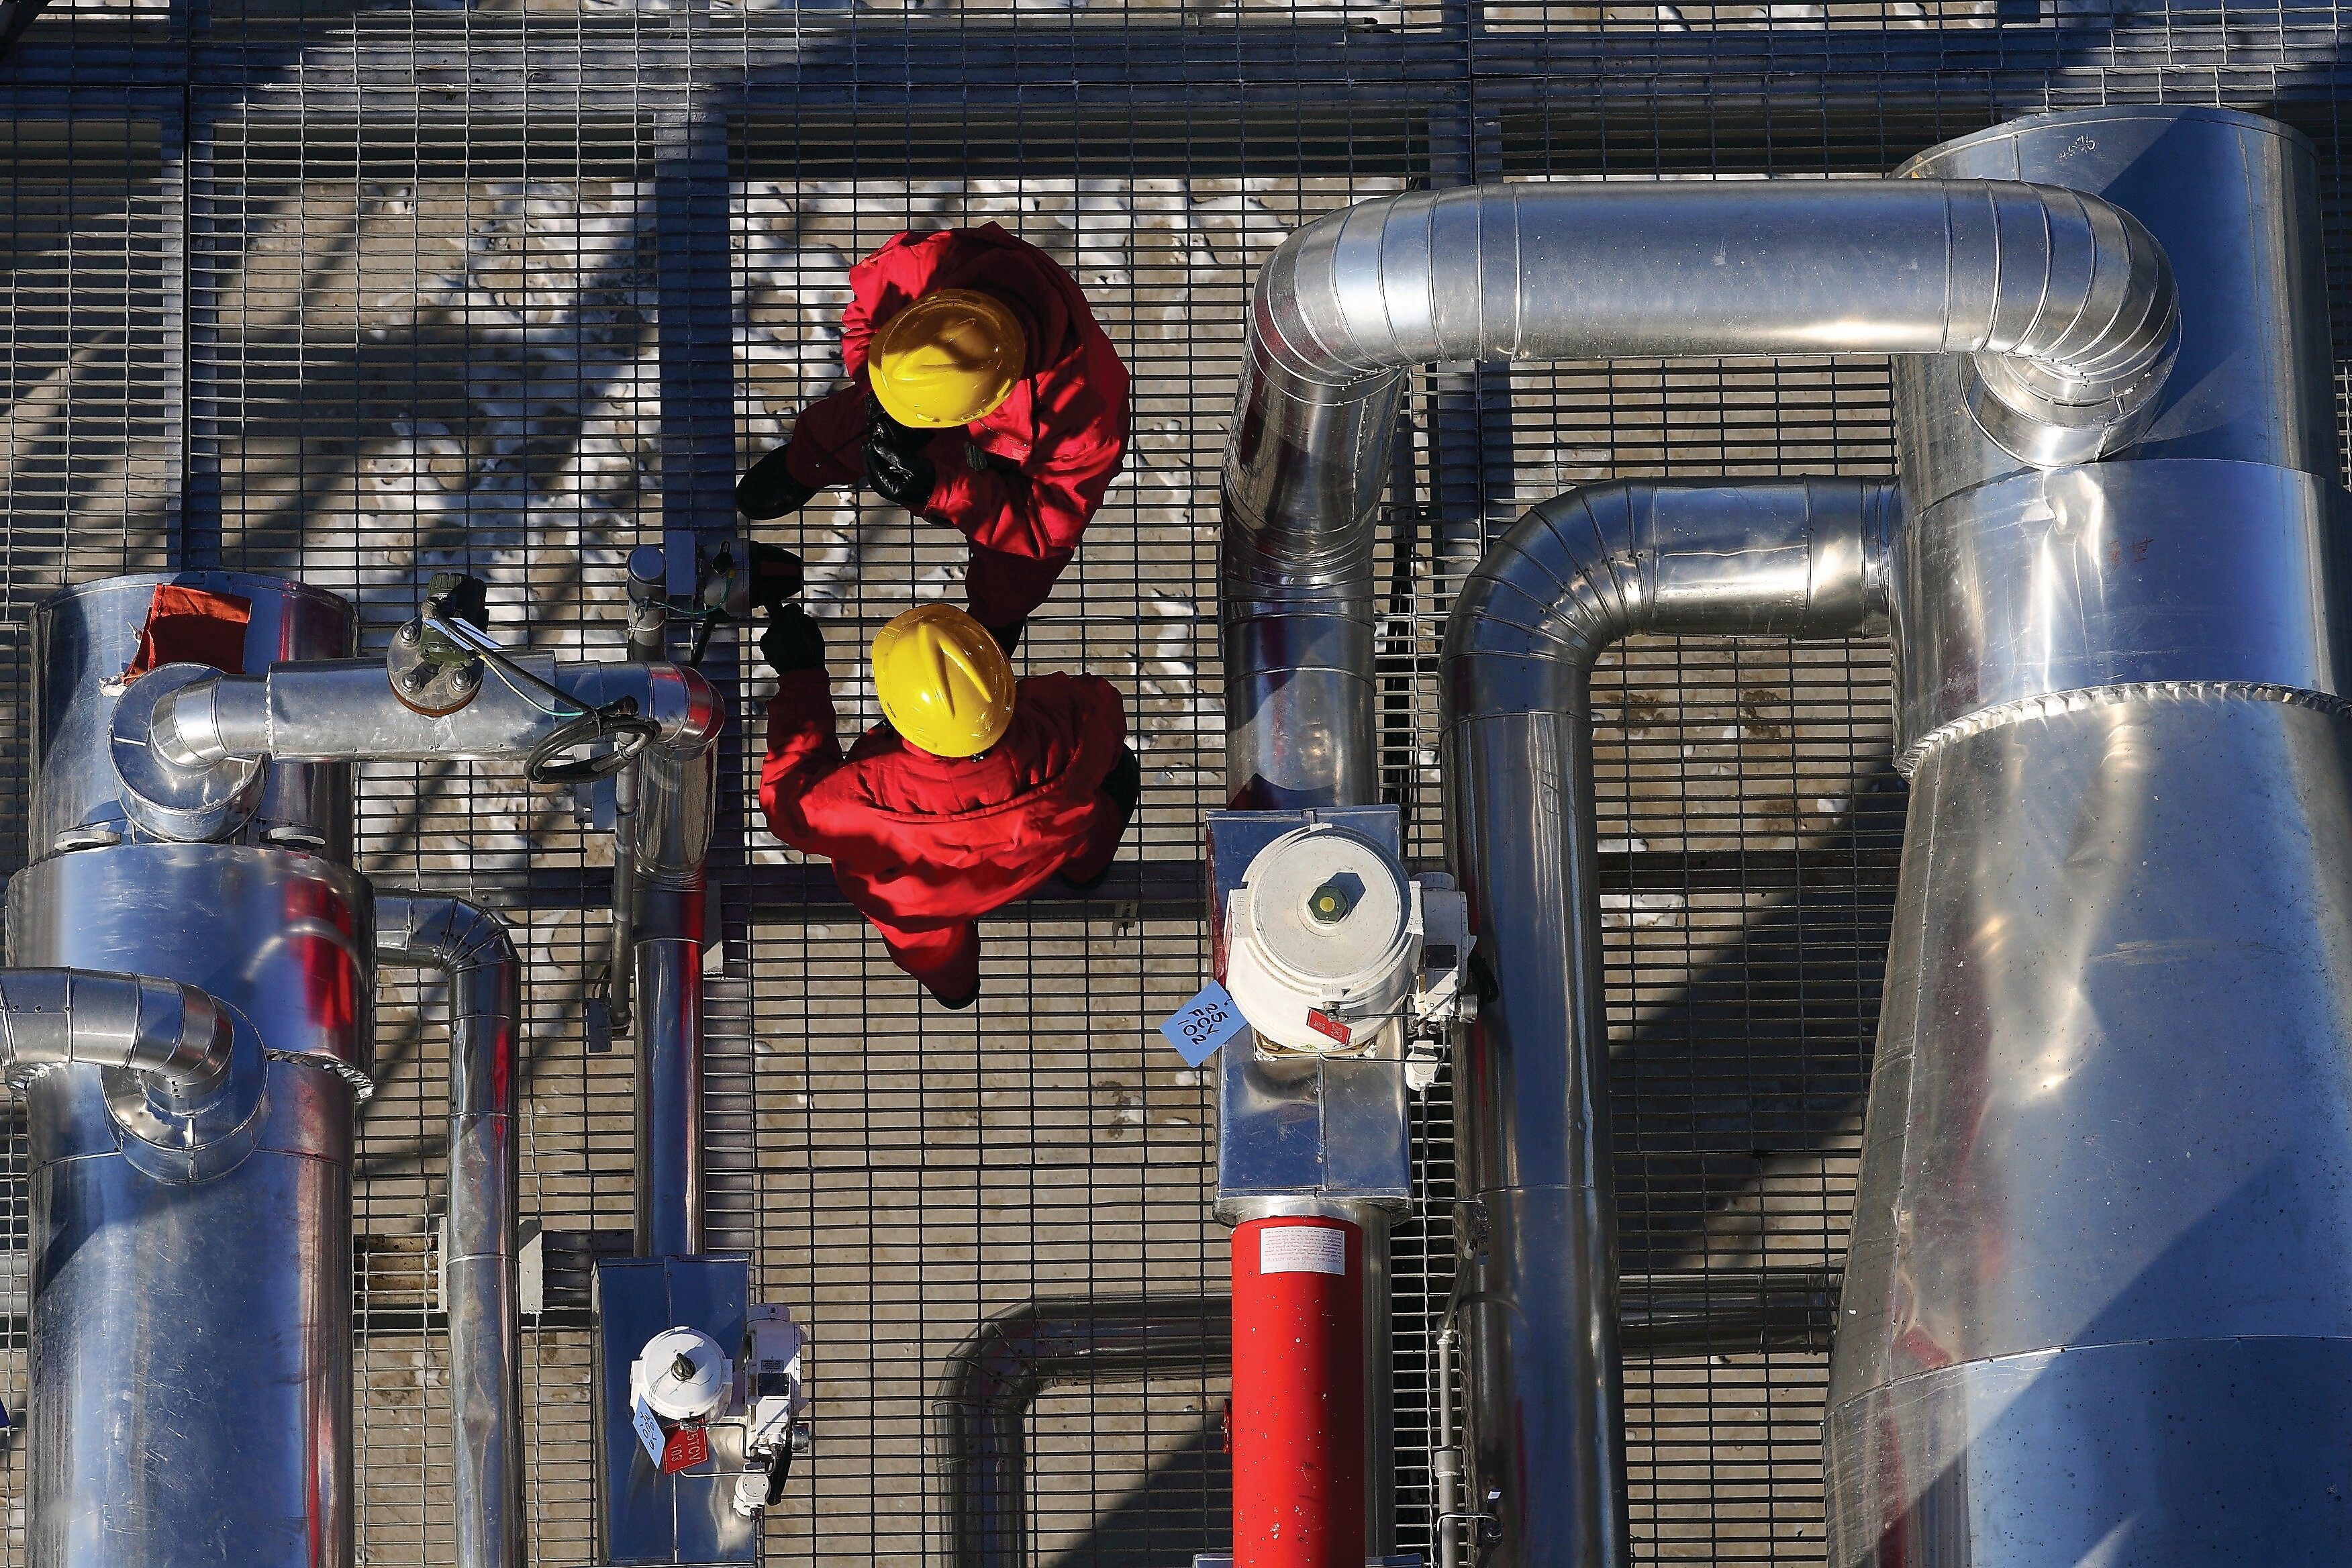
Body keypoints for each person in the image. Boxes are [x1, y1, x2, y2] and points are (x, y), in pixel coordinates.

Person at [733, 223, 1130, 654]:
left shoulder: (1084, 419)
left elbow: (1044, 525)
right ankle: (805, 464)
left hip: (1017, 463)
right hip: (927, 396)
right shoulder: (923, 266)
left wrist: (943, 490)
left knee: (1020, 562)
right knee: (854, 424)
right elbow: (865, 317)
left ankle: (996, 617)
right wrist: (877, 391)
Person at [756, 597, 1142, 1009]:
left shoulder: (858, 798)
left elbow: (787, 802)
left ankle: (957, 988)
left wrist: (802, 677)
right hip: (1045, 849)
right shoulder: (1062, 722)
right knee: (1111, 786)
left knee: (931, 948)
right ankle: (1085, 871)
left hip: (923, 904)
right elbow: (1103, 704)